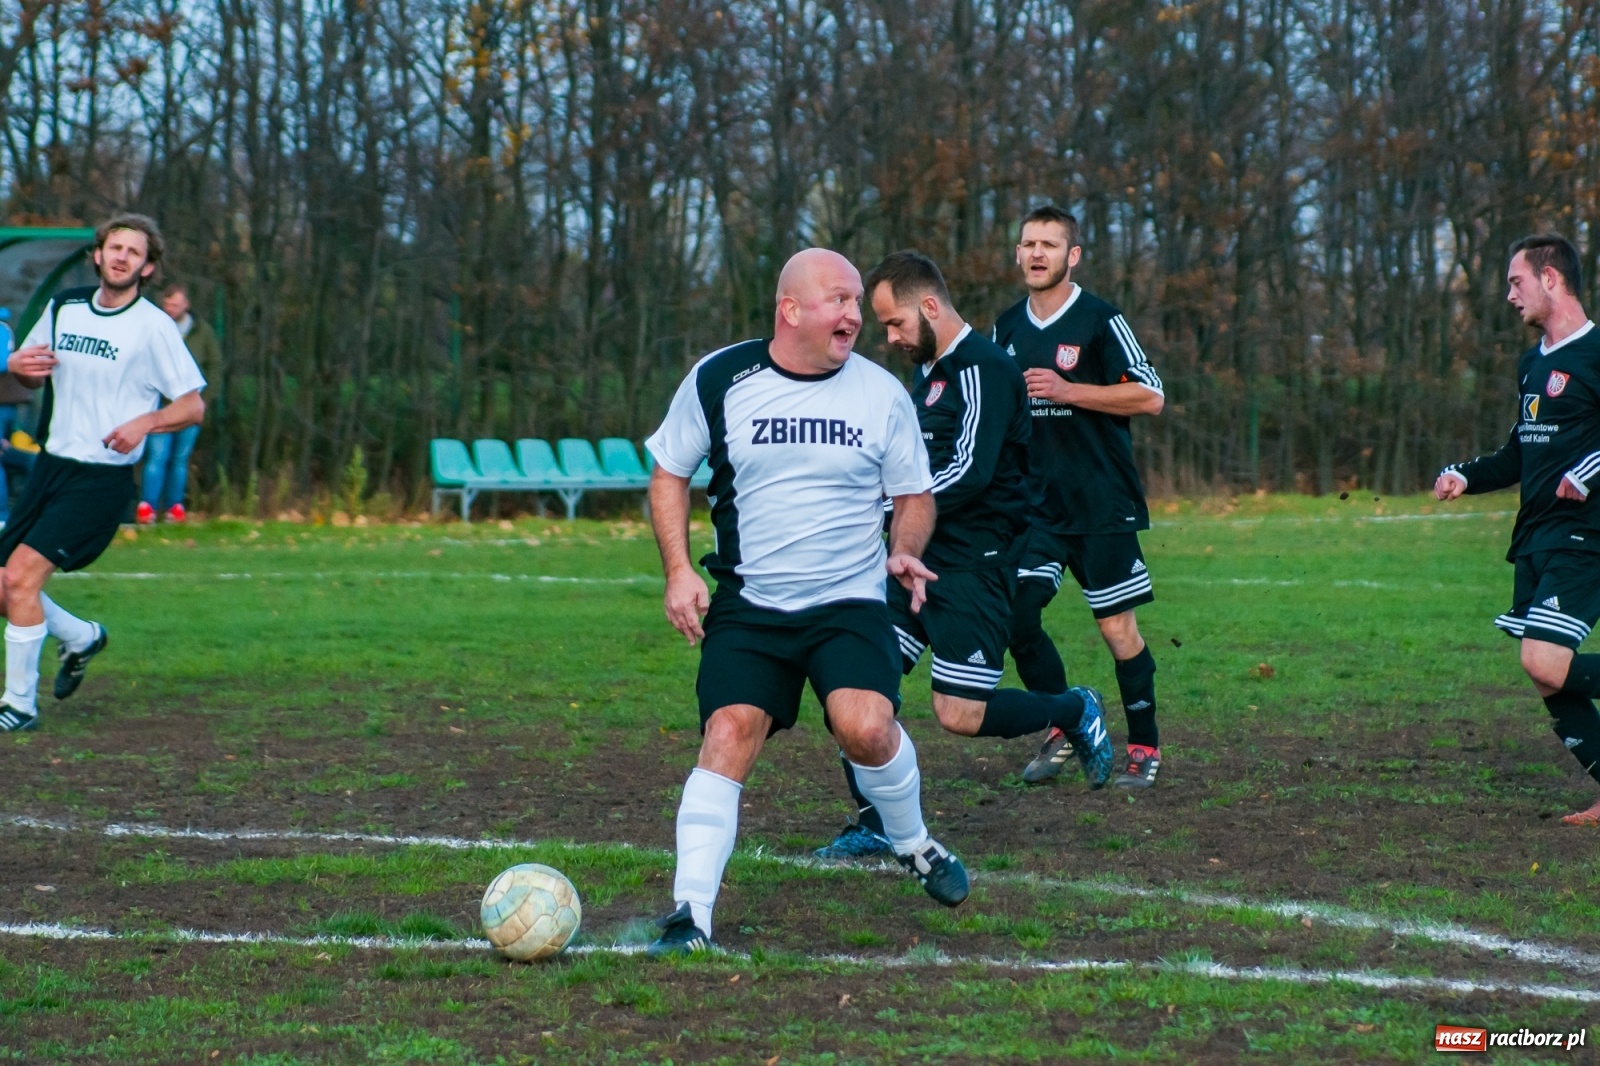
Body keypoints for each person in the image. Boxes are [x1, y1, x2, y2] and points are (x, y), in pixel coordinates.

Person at [642, 247, 968, 955]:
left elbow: (914, 492)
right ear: (791, 310)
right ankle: (690, 915)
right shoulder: (721, 378)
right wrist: (677, 570)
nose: (854, 314)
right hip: (750, 605)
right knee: (728, 731)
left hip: (848, 604)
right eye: (839, 300)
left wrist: (906, 545)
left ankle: (913, 844)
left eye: (857, 301)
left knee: (867, 729)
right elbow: (669, 471)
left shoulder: (881, 394)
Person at [816, 250, 1116, 859]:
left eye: (896, 323)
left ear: (929, 306)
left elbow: (969, 473)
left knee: (959, 713)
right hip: (912, 561)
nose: (892, 337)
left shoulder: (983, 368)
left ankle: (1074, 707)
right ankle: (876, 821)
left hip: (975, 565)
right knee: (854, 693)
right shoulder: (927, 377)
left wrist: (886, 512)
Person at [0, 213, 205, 732]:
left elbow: (193, 406)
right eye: (114, 247)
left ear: (147, 267)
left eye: (133, 253)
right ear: (97, 255)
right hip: (51, 465)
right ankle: (81, 637)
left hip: (99, 479)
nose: (121, 257)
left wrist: (147, 421)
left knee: (20, 579)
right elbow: (27, 368)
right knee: (5, 586)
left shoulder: (153, 326)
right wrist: (16, 368)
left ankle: (19, 706)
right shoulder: (65, 305)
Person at [991, 205, 1168, 789]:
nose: (1036, 253)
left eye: (1049, 244)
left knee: (1118, 632)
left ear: (1073, 256)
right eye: (1028, 243)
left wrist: (1071, 391)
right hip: (1034, 509)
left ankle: (1144, 747)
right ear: (1017, 253)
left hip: (1100, 505)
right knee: (1018, 615)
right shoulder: (1006, 328)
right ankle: (1069, 725)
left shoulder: (1099, 320)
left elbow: (1150, 396)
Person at [1436, 234, 1600, 825]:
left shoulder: (1597, 352)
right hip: (1534, 538)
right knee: (1546, 676)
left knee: (1545, 662)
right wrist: (1464, 474)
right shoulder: (1533, 363)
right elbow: (1517, 452)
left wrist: (1586, 473)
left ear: (1550, 279)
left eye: (1516, 282)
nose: (1509, 295)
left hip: (1584, 534)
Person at [137, 283, 219, 523]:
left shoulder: (202, 333)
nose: (170, 308)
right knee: (157, 457)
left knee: (180, 459)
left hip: (190, 407)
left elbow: (215, 366)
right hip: (161, 406)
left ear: (186, 305)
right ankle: (147, 508)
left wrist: (202, 402)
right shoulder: (156, 329)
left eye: (175, 304)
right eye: (167, 304)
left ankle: (175, 508)